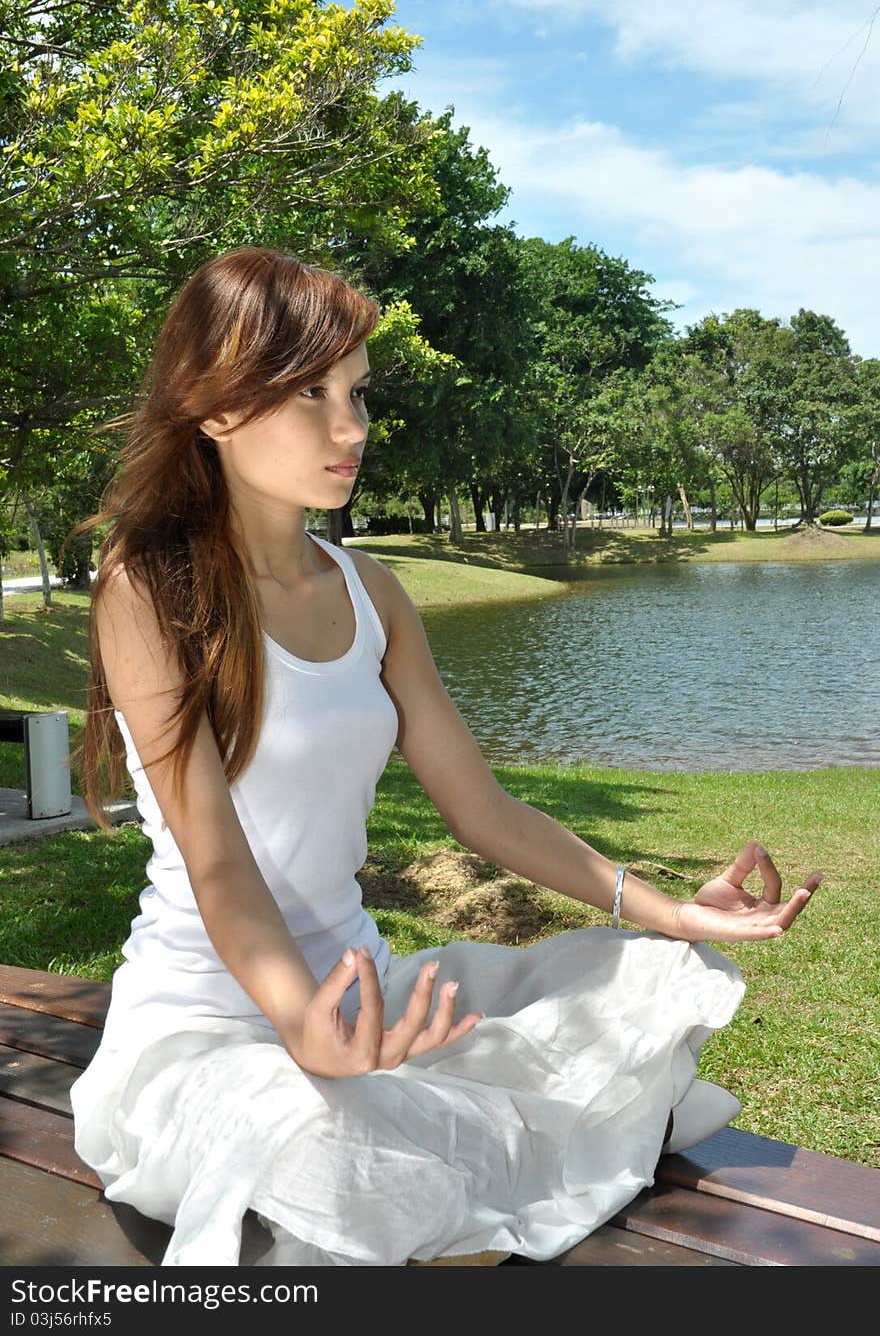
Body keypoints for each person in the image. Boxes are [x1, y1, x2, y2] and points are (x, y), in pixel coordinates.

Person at [66, 245, 821, 1268]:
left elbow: (484, 810)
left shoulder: (371, 591)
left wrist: (667, 907)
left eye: (358, 393)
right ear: (214, 409)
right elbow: (216, 858)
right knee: (351, 1166)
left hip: (370, 998)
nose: (352, 429)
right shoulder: (147, 588)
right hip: (211, 1026)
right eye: (308, 394)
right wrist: (303, 1026)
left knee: (654, 981)